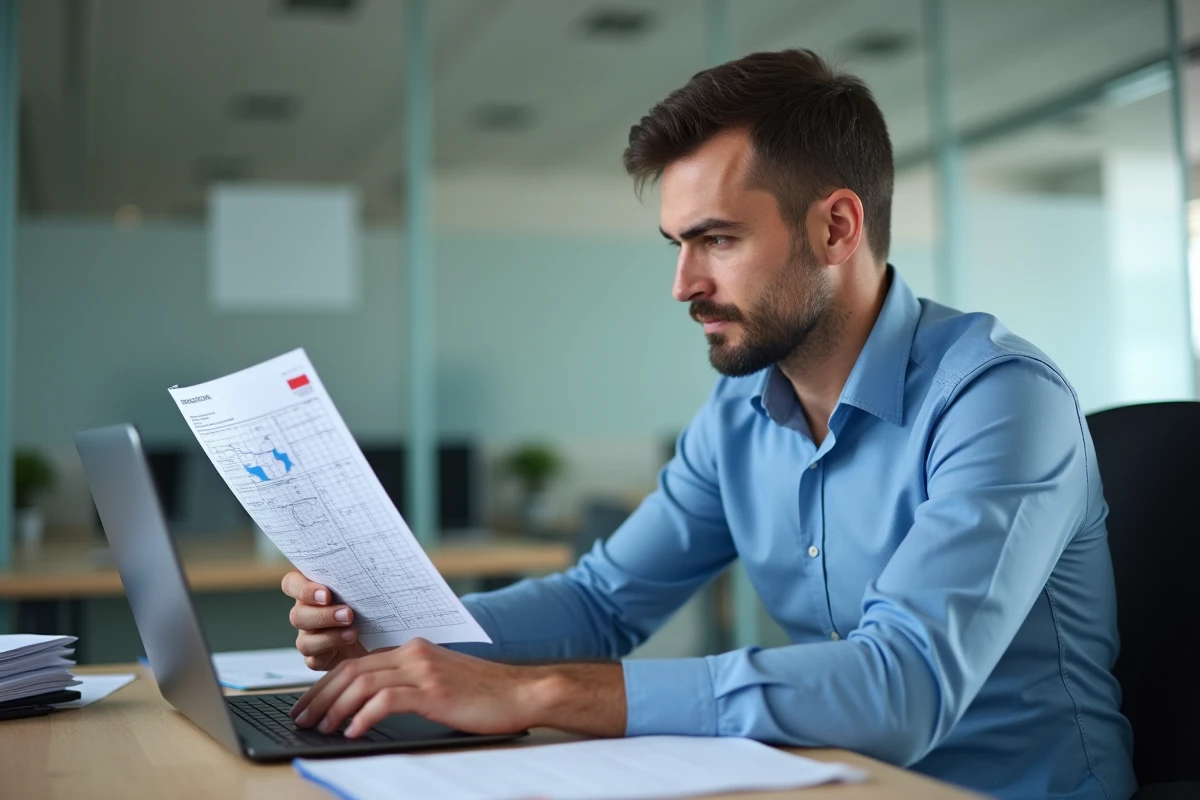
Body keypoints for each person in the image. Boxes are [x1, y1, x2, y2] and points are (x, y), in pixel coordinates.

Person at [282, 49, 1135, 799]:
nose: (683, 284)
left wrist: (541, 695)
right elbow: (601, 602)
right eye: (676, 245)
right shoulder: (741, 411)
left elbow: (899, 688)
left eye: (717, 239)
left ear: (836, 226)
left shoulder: (999, 399)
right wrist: (399, 628)